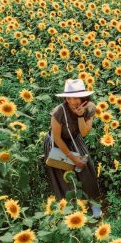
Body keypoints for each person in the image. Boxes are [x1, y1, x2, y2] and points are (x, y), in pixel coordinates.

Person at [43, 79, 103, 217]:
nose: (71, 101)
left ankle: (93, 204)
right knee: (64, 175)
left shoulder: (90, 108)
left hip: (75, 139)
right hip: (56, 144)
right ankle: (71, 209)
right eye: (68, 97)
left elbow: (83, 132)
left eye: (75, 97)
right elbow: (57, 137)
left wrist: (81, 115)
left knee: (86, 170)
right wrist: (71, 156)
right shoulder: (58, 112)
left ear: (83, 96)